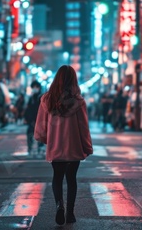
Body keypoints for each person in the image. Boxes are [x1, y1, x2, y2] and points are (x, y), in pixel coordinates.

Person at [34, 65, 93, 225]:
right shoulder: (79, 102)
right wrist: (87, 146)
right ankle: (71, 213)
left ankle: (59, 205)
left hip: (56, 145)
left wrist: (45, 138)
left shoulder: (47, 100)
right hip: (73, 145)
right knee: (71, 179)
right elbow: (83, 126)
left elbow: (41, 124)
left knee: (57, 177)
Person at [24, 80, 45, 157]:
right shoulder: (31, 98)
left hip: (40, 120)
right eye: (33, 87)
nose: (35, 89)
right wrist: (28, 119)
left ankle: (41, 149)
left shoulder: (42, 97)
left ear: (39, 88)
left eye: (36, 87)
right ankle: (30, 149)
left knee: (41, 135)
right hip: (32, 121)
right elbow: (28, 109)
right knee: (30, 133)